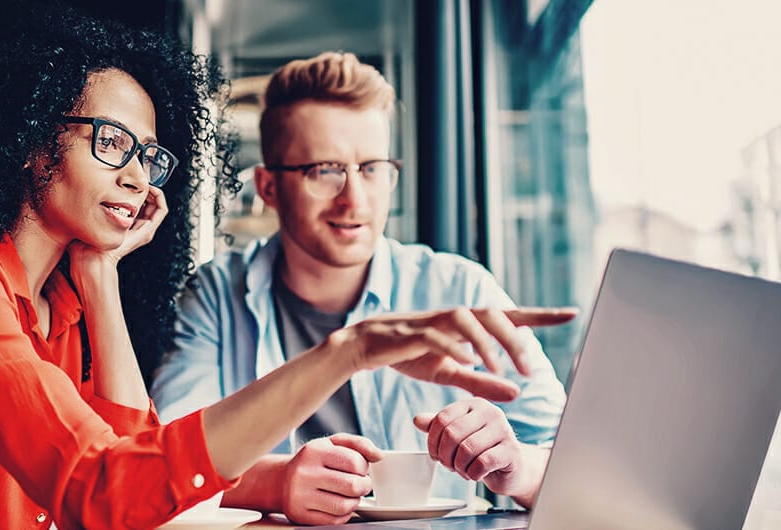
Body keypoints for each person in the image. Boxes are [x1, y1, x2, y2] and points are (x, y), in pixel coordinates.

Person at [0, 7, 575, 530]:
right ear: (26, 142)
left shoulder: (60, 304)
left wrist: (99, 278)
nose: (137, 176)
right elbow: (105, 490)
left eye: (148, 155)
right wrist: (348, 352)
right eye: (111, 143)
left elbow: (135, 464)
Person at [150, 51, 573, 525]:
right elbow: (162, 462)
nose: (355, 198)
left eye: (372, 168)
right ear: (268, 188)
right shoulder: (217, 293)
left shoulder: (459, 288)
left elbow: (576, 466)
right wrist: (276, 482)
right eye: (325, 170)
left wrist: (515, 467)